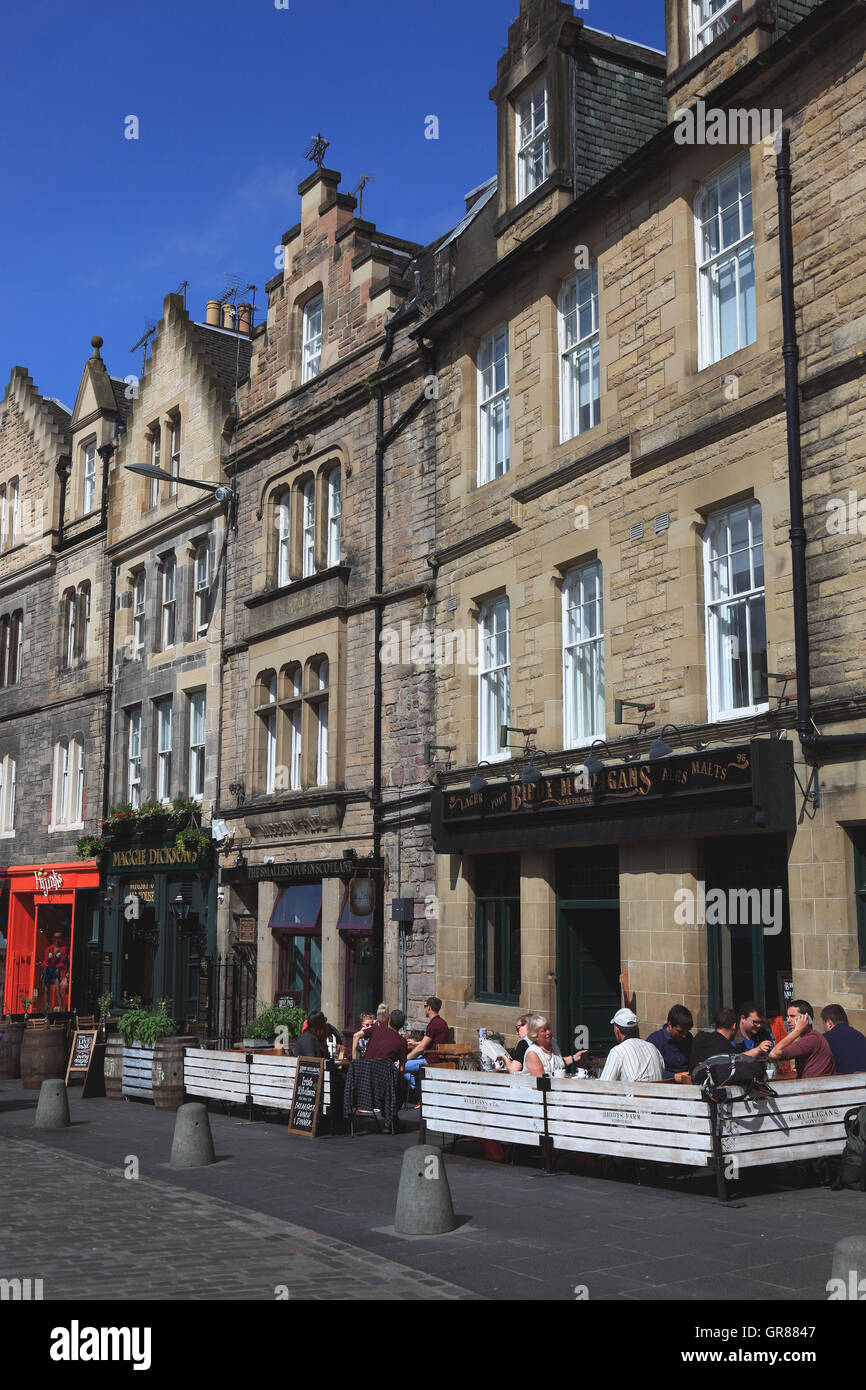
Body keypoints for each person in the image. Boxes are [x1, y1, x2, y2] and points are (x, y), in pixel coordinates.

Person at [690, 1008, 772, 1074]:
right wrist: (758, 1049)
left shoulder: (699, 1037)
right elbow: (738, 1059)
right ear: (734, 1026)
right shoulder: (725, 1046)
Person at [768, 999, 836, 1078]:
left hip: (813, 1088)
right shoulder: (813, 1037)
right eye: (788, 1016)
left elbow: (774, 1054)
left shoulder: (811, 1039)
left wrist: (797, 1031)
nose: (788, 1020)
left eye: (792, 1016)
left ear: (806, 1018)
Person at [404, 996, 450, 1106]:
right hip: (436, 1058)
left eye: (425, 1007)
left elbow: (421, 1048)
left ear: (429, 1008)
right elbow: (430, 1042)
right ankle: (422, 1095)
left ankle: (422, 1095)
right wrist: (415, 1043)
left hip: (430, 1060)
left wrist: (403, 1059)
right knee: (406, 1068)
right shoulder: (442, 1023)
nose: (425, 1009)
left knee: (396, 1066)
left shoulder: (433, 1024)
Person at [599, 1009, 664, 1082]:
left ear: (617, 1030)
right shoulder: (653, 1047)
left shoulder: (617, 1051)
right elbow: (662, 1072)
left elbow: (604, 1086)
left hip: (634, 1093)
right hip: (657, 1092)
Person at [647, 1004, 693, 1080]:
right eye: (680, 1032)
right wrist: (674, 1076)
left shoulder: (688, 1038)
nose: (684, 1036)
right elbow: (650, 1071)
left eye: (687, 1032)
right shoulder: (655, 1040)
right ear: (670, 1024)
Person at [820, 1004, 866, 1074]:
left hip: (840, 1082)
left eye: (823, 1023)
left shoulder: (824, 1039)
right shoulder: (861, 1037)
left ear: (829, 1023)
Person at [363, 1008, 408, 1073]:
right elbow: (402, 1068)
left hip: (365, 1074)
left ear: (389, 1021)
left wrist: (354, 1061)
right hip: (383, 1078)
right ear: (402, 1025)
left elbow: (356, 1035)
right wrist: (401, 1082)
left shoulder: (376, 1029)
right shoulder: (402, 1042)